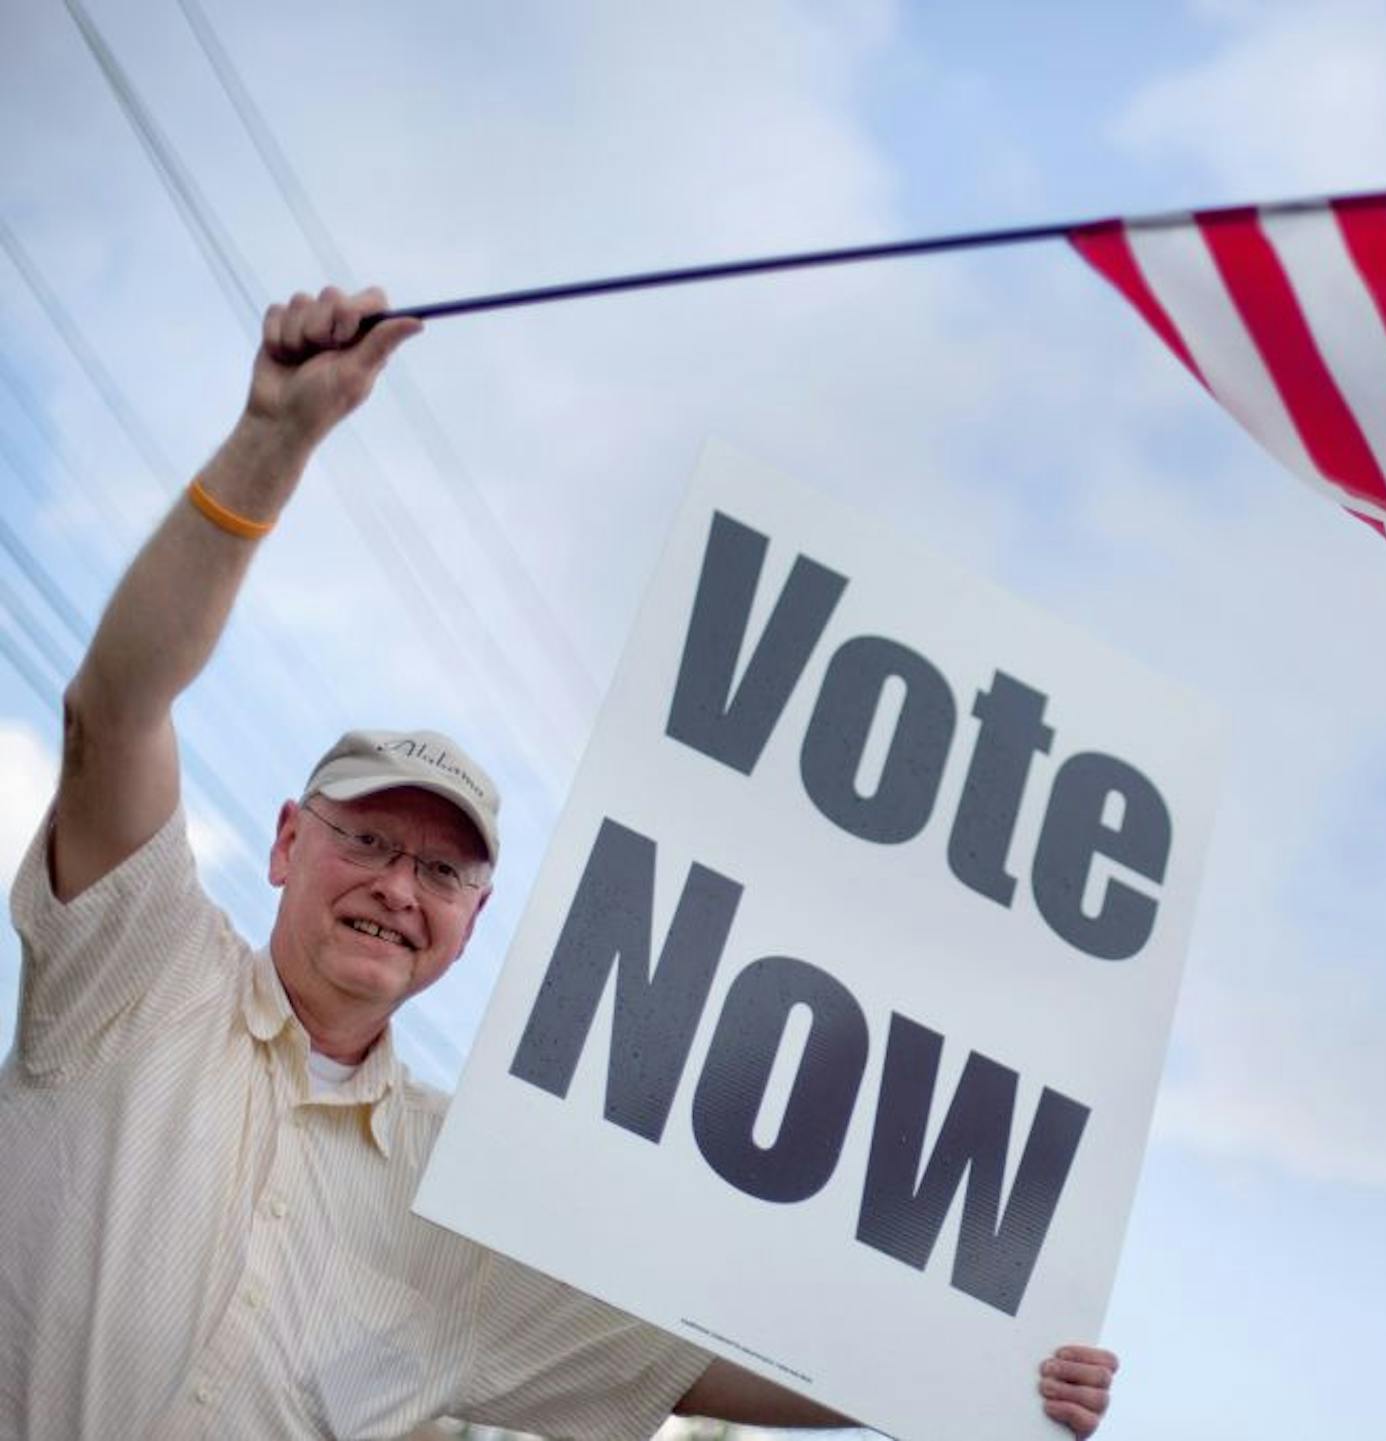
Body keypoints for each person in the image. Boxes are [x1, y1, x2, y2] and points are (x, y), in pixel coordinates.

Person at [0, 287, 1119, 1438]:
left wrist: (1002, 1373)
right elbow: (118, 707)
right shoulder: (139, 974)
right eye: (369, 838)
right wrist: (272, 442)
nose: (397, 885)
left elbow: (707, 1360)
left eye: (442, 872)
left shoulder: (473, 1191)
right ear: (288, 842)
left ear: (474, 923)